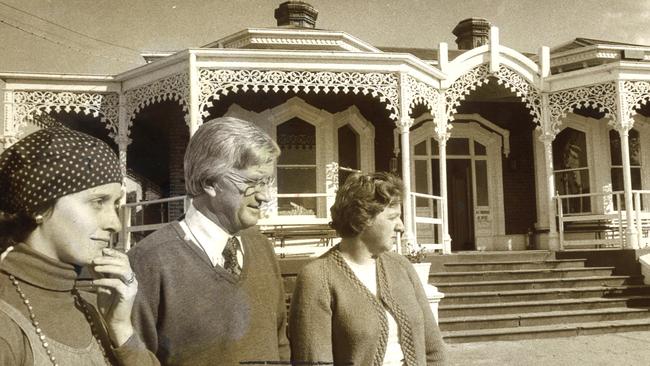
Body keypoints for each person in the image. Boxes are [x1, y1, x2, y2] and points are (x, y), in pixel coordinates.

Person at [128, 117, 289, 365]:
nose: (265, 196)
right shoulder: (150, 260)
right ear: (209, 183)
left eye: (266, 181)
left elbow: (280, 344)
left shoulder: (262, 247)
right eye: (252, 183)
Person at [0, 127, 159, 365]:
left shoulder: (94, 304)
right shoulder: (6, 322)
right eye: (98, 201)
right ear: (38, 207)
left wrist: (121, 329)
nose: (115, 223)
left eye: (115, 204)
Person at [289, 172, 447, 366]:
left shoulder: (401, 266)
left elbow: (434, 350)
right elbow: (313, 360)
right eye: (393, 217)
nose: (401, 226)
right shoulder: (317, 277)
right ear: (362, 219)